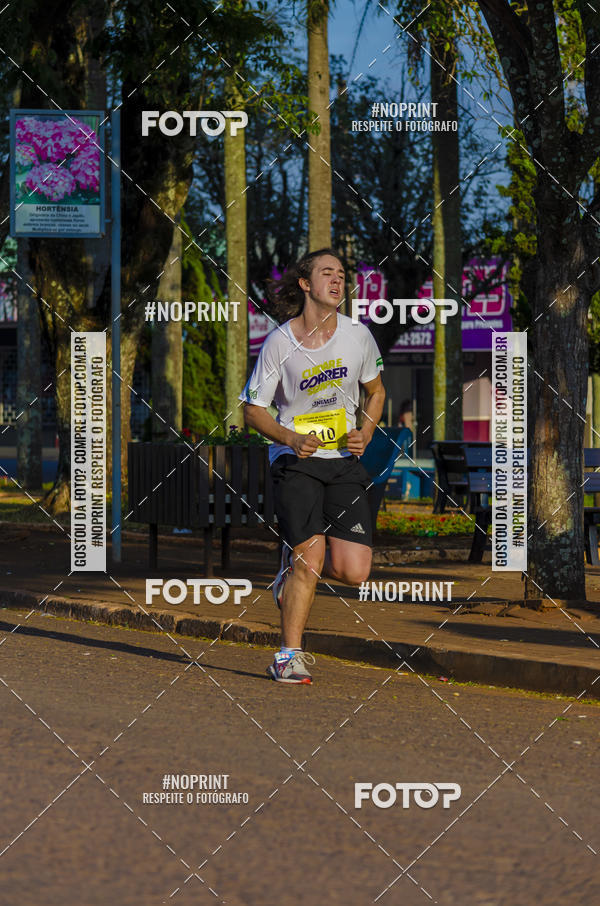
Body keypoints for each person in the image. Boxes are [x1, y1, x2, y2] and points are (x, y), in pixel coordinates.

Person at [240, 249, 385, 684]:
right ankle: (288, 655)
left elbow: (376, 392)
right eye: (327, 274)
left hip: (342, 461)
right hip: (295, 461)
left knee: (354, 571)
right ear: (306, 284)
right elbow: (253, 410)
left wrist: (367, 431)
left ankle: (288, 564)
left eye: (342, 275)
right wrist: (289, 438)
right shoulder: (280, 343)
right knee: (312, 557)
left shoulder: (358, 337)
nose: (338, 281)